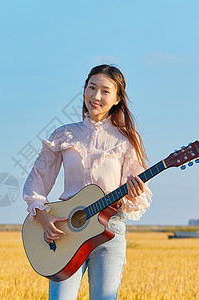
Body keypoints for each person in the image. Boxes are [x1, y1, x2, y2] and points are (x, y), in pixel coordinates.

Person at [23, 64, 152, 300]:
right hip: (65, 231)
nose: (96, 96)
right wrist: (42, 215)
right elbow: (38, 179)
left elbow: (136, 196)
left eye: (105, 91)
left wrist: (133, 192)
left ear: (117, 99)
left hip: (109, 231)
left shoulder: (126, 139)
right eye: (91, 88)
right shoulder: (64, 134)